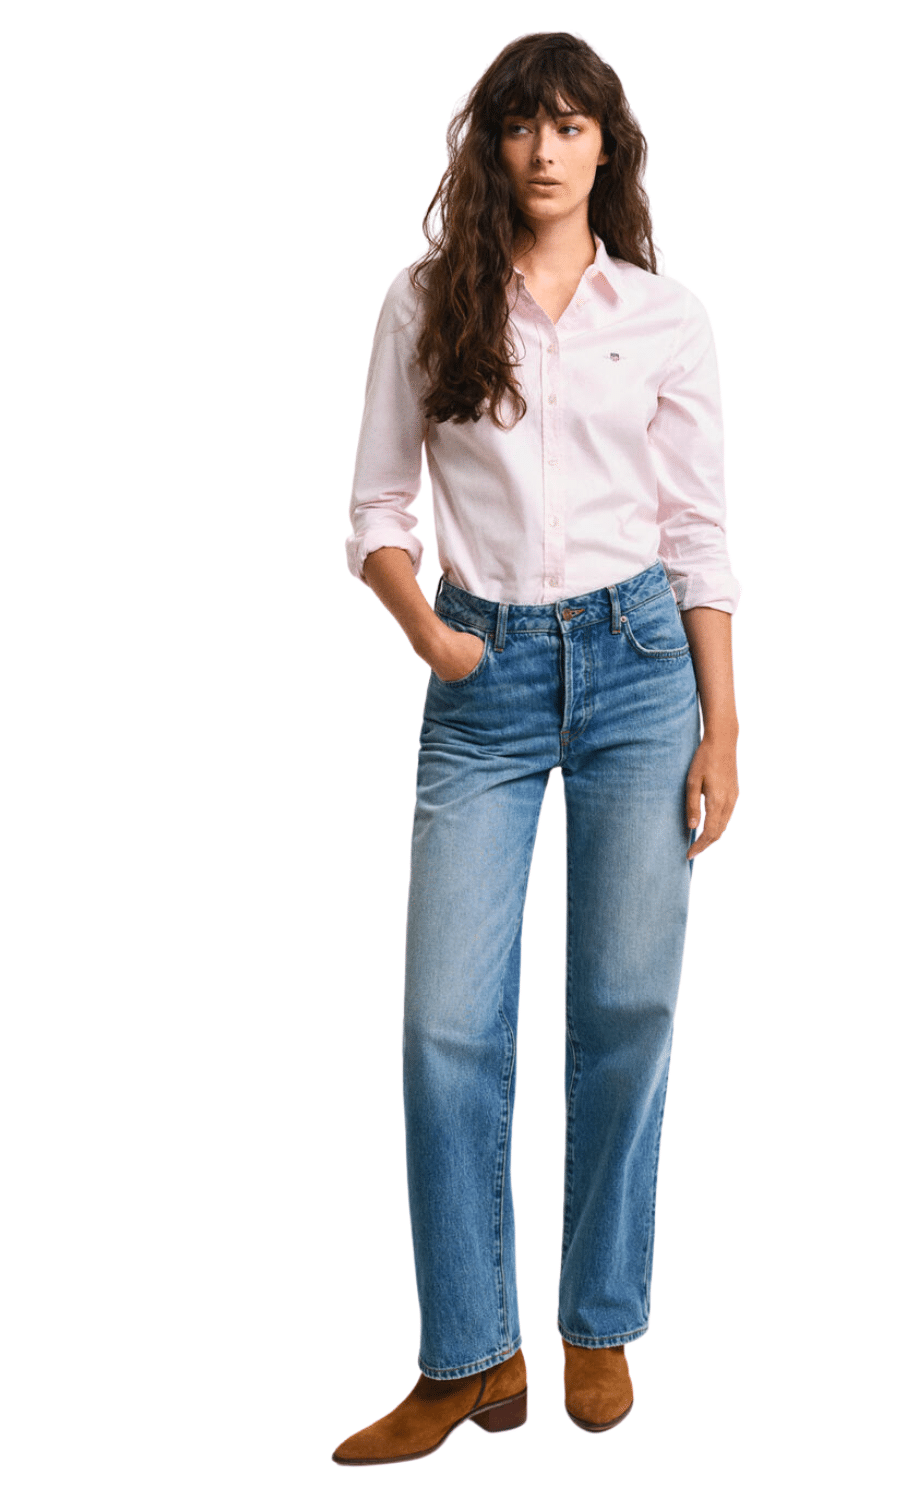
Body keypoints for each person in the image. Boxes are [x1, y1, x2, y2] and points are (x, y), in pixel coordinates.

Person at [332, 31, 741, 1466]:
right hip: (482, 673)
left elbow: (698, 533)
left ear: (606, 145)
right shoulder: (426, 301)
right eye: (522, 125)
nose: (547, 149)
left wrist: (725, 724)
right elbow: (376, 510)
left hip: (640, 673)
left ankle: (597, 1319)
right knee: (445, 1023)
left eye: (572, 124)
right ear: (492, 147)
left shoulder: (664, 318)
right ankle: (469, 1355)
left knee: (625, 1009)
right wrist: (432, 638)